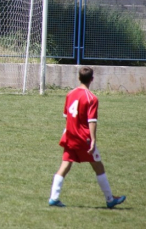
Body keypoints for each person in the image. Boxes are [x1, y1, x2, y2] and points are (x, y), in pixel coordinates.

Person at [48, 66, 126, 209]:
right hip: (84, 139)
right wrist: (93, 140)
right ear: (92, 79)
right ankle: (110, 199)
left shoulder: (70, 94)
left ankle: (54, 197)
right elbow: (92, 121)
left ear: (79, 78)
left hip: (69, 136)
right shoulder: (92, 98)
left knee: (65, 165)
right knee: (98, 166)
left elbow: (67, 116)